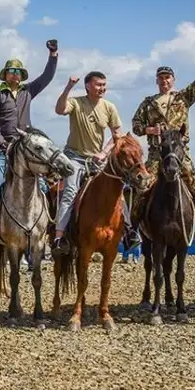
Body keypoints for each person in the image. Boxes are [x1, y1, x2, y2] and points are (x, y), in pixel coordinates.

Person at [131, 46, 195, 244]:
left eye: (168, 78)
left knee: (192, 183)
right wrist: (148, 130)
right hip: (157, 154)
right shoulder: (148, 103)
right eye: (161, 78)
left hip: (180, 153)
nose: (164, 81)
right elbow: (135, 125)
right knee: (143, 186)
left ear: (173, 80)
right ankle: (134, 229)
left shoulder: (183, 98)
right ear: (157, 81)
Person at [0, 41, 59, 238]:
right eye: (11, 70)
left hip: (24, 148)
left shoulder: (28, 91)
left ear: (22, 75)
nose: (15, 73)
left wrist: (53, 55)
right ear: (5, 74)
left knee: (42, 187)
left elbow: (47, 77)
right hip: (2, 148)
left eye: (18, 70)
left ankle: (48, 230)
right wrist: (0, 141)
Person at [50, 72, 124, 256]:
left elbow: (117, 135)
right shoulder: (76, 102)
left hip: (97, 159)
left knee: (118, 193)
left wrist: (104, 153)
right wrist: (68, 87)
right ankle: (59, 237)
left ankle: (129, 233)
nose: (102, 88)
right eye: (98, 84)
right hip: (74, 157)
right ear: (88, 86)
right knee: (70, 191)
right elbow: (59, 110)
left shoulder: (109, 107)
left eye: (104, 85)